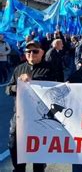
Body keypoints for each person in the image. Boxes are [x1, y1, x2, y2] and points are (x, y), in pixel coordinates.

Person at [5, 41, 62, 172]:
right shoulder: (19, 68)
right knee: (14, 143)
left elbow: (58, 89)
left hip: (41, 115)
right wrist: (18, 85)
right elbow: (8, 89)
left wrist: (34, 81)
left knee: (39, 148)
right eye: (28, 51)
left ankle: (40, 168)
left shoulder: (50, 68)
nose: (31, 54)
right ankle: (18, 168)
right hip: (20, 114)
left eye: (35, 51)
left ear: (42, 52)